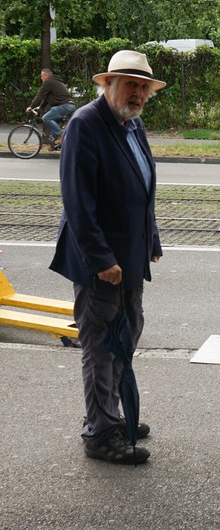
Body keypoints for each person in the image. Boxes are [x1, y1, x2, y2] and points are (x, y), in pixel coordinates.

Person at [50, 50, 166, 465]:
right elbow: (78, 202)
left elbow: (143, 186)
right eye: (129, 84)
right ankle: (99, 433)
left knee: (127, 333)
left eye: (143, 86)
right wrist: (101, 258)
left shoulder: (132, 125)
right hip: (100, 260)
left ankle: (111, 414)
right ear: (108, 84)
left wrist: (150, 238)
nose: (137, 93)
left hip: (129, 256)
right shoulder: (85, 124)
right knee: (101, 345)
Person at [27, 68, 76, 150]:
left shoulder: (48, 82)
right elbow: (46, 98)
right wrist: (40, 107)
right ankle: (55, 145)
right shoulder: (54, 82)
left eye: (42, 76)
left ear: (46, 75)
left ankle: (60, 137)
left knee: (46, 118)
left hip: (65, 106)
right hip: (67, 105)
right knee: (54, 124)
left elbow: (40, 96)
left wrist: (31, 107)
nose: (41, 78)